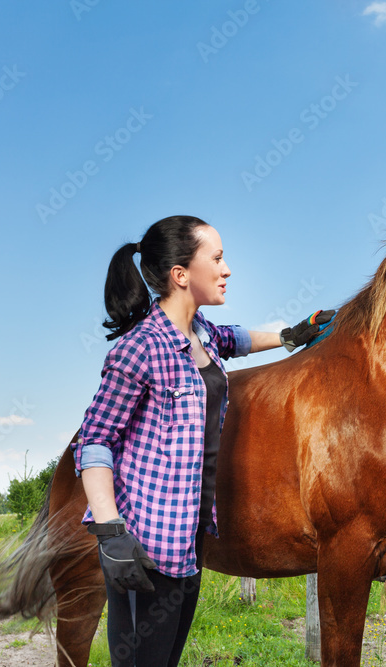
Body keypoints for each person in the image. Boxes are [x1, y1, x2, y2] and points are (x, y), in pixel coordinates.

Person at [71, 215, 332, 667]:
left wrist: (290, 336)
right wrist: (111, 532)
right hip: (142, 545)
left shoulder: (203, 334)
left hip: (186, 541)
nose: (226, 268)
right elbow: (95, 440)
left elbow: (237, 340)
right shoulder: (139, 349)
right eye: (217, 258)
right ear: (181, 275)